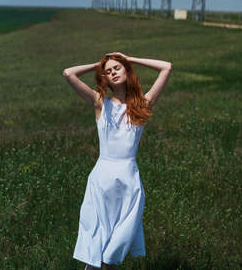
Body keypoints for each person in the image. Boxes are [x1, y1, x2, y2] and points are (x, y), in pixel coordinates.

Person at [63, 52, 172, 270]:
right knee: (96, 247)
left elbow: (166, 67)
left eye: (117, 68)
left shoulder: (143, 104)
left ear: (127, 70)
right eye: (108, 71)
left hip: (128, 182)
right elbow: (69, 73)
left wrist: (131, 59)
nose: (112, 72)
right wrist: (98, 64)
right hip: (102, 181)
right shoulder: (100, 103)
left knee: (114, 251)